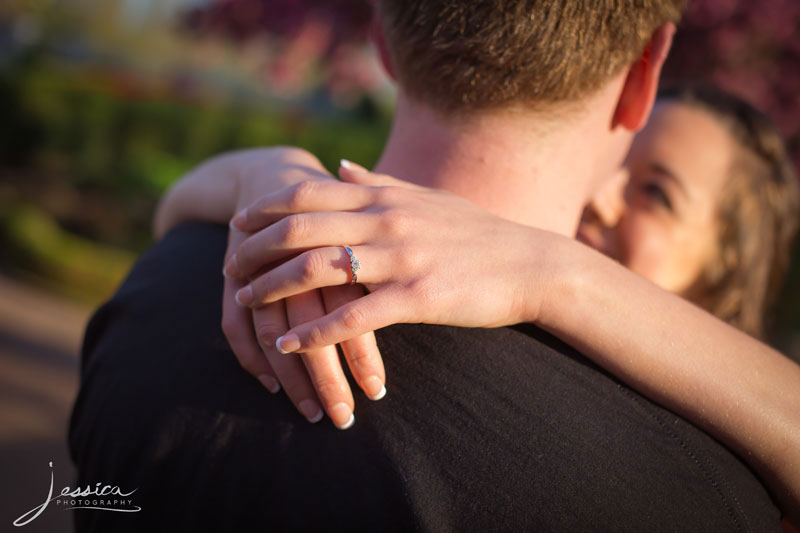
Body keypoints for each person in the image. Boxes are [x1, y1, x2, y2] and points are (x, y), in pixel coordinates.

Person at [70, 1, 783, 530]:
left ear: (380, 33)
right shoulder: (684, 488)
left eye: (661, 194)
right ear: (644, 75)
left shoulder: (163, 285)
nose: (612, 203)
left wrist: (555, 271)